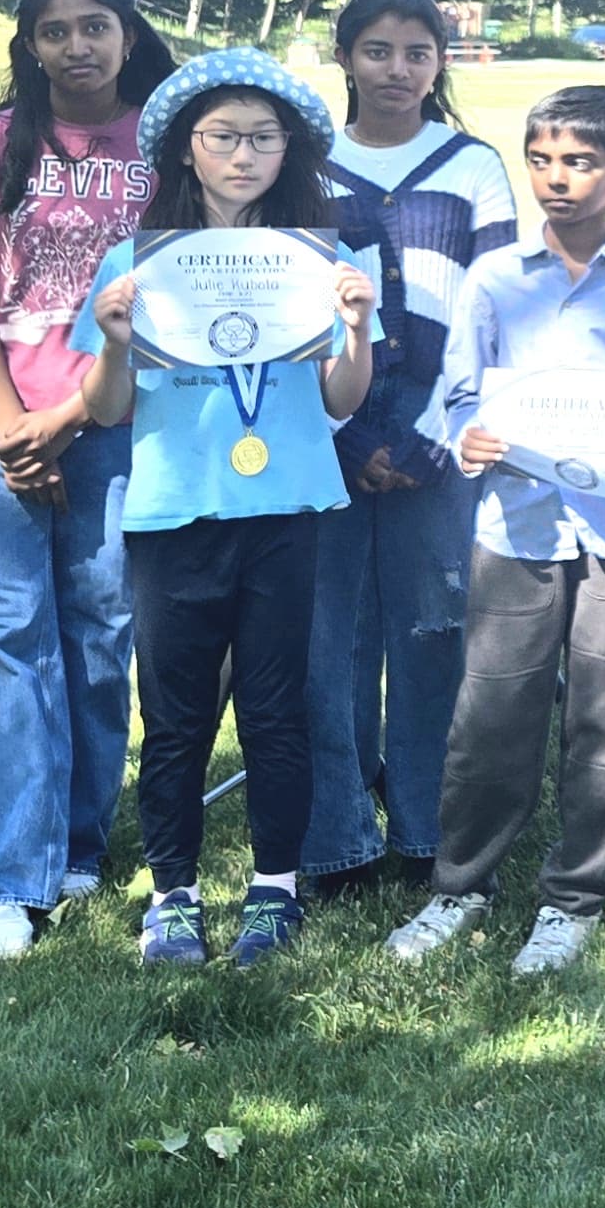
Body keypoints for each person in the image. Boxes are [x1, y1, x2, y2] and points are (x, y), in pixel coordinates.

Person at [72, 51, 381, 972]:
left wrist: (357, 328)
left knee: (279, 709)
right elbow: (104, 409)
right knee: (173, 715)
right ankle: (173, 896)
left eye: (262, 138)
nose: (243, 156)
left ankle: (274, 892)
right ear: (185, 151)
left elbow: (339, 403)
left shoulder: (326, 262)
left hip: (286, 507)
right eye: (222, 138)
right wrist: (118, 343)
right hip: (175, 510)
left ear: (290, 151)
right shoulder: (135, 266)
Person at [388, 85, 605, 976]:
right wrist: (468, 436)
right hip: (516, 529)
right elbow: (457, 393)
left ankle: (574, 899)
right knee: (491, 712)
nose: (556, 180)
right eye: (542, 160)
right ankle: (460, 887)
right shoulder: (494, 279)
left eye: (581, 163)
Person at [0, 0, 176, 960]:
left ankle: (76, 841)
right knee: (2, 642)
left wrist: (63, 419)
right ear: (28, 45)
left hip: (112, 420)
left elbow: (172, 305)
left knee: (100, 638)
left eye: (95, 26)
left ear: (128, 35)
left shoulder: (166, 149)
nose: (77, 46)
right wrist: (13, 421)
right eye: (54, 30)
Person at [305, 0, 516, 904]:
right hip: (327, 433)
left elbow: (494, 307)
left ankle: (427, 825)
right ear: (344, 56)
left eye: (418, 52)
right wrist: (348, 438)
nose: (398, 69)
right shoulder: (304, 166)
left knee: (435, 629)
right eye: (379, 50)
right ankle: (341, 831)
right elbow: (288, 314)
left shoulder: (473, 166)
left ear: (441, 62)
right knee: (332, 635)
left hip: (445, 433)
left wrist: (433, 435)